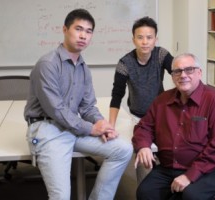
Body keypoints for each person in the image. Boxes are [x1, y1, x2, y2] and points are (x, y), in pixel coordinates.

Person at [24, 9, 133, 200]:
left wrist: (103, 125)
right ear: (65, 29)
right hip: (47, 129)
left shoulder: (83, 68)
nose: (83, 35)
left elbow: (88, 106)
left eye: (89, 31)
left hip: (72, 129)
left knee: (123, 149)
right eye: (79, 29)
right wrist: (92, 128)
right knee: (61, 196)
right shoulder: (47, 64)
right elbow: (56, 110)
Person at [132, 53, 215, 200]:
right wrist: (143, 145)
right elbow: (144, 126)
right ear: (172, 76)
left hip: (210, 169)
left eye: (189, 70)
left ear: (199, 73)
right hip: (169, 167)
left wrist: (189, 176)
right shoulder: (162, 100)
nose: (183, 75)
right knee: (145, 193)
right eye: (177, 71)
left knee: (189, 196)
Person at [109, 16, 173, 183]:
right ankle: (145, 189)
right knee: (143, 152)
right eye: (140, 37)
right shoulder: (125, 63)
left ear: (155, 39)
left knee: (169, 149)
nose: (145, 42)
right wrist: (111, 125)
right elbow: (117, 95)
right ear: (133, 40)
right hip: (139, 116)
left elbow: (179, 74)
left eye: (149, 37)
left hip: (162, 114)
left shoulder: (161, 55)